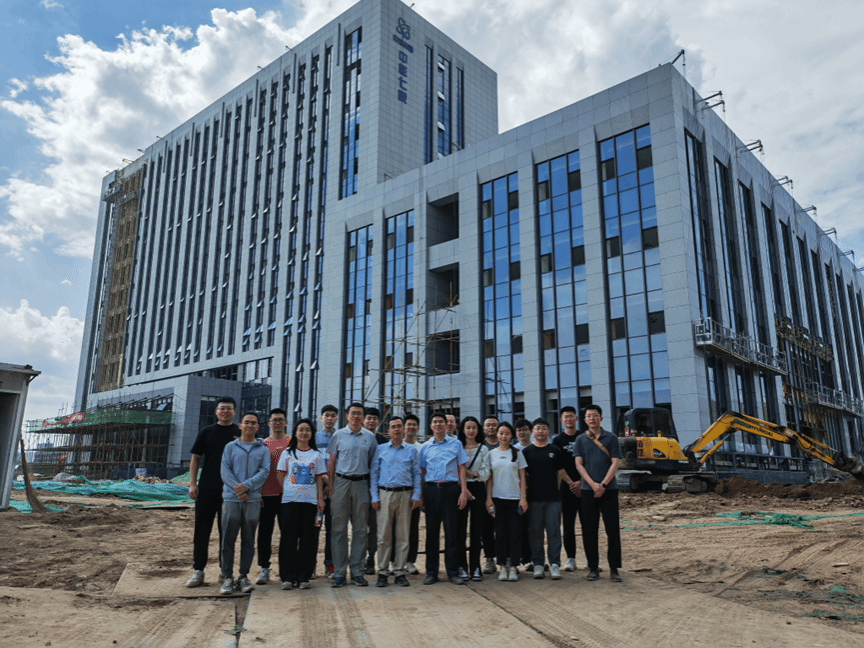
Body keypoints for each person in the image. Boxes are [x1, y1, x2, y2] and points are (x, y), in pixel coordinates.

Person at [186, 397, 240, 588]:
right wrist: (192, 484)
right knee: (202, 530)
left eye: (229, 408)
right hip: (207, 488)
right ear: (216, 411)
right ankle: (198, 570)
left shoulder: (239, 433)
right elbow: (195, 458)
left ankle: (225, 571)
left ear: (234, 412)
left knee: (227, 533)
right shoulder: (206, 432)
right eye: (222, 408)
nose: (225, 411)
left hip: (231, 491)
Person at [327, 402, 378, 587]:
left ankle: (357, 571)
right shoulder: (338, 435)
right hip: (341, 483)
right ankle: (340, 572)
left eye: (359, 413)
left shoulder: (370, 437)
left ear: (363, 417)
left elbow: (372, 462)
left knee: (360, 529)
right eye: (353, 413)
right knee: (338, 529)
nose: (356, 416)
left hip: (362, 484)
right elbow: (332, 462)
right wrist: (331, 486)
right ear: (347, 415)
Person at [219, 412, 270, 595]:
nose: (249, 425)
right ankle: (227, 575)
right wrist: (238, 490)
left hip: (252, 500)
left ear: (257, 427)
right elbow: (225, 471)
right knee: (228, 538)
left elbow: (264, 471)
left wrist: (246, 487)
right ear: (240, 426)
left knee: (248, 539)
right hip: (231, 499)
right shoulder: (230, 447)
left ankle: (243, 575)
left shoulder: (262, 449)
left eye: (253, 423)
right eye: (246, 422)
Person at [418, 411, 470, 585]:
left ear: (446, 425)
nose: (438, 424)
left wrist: (463, 491)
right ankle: (431, 572)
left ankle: (452, 572)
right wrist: (421, 496)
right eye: (435, 422)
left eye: (441, 421)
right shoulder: (425, 447)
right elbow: (422, 472)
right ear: (431, 426)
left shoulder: (456, 444)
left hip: (451, 491)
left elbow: (462, 468)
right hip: (431, 491)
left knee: (451, 532)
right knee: (431, 533)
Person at [370, 416, 421, 587]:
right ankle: (383, 571)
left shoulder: (411, 450)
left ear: (404, 429)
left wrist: (416, 495)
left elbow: (416, 473)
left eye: (399, 426)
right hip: (385, 494)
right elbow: (374, 473)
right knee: (383, 535)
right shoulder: (381, 449)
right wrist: (375, 496)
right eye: (393, 427)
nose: (397, 429)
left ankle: (399, 571)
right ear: (389, 431)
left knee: (403, 535)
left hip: (405, 495)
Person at [276, 418, 327, 590]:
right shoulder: (287, 453)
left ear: (312, 434)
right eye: (301, 429)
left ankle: (304, 576)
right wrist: (288, 489)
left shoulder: (317, 455)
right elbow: (280, 475)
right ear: (295, 433)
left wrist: (320, 499)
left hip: (310, 502)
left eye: (307, 430)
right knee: (288, 539)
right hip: (289, 502)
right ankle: (287, 577)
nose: (304, 433)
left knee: (308, 539)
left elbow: (319, 479)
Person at [574, 404, 622, 583]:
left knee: (612, 530)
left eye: (595, 415)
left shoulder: (611, 438)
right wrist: (593, 484)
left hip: (609, 490)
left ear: (601, 418)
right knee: (589, 529)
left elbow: (615, 463)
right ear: (585, 420)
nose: (592, 418)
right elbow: (579, 464)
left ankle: (614, 569)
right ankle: (593, 568)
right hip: (588, 491)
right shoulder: (580, 439)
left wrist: (603, 484)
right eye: (589, 416)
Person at [522, 418, 571, 580]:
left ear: (548, 431)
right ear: (532, 431)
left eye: (544, 428)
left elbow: (560, 472)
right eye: (537, 428)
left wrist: (555, 489)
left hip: (553, 499)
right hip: (533, 499)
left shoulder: (555, 450)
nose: (540, 431)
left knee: (554, 532)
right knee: (535, 533)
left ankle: (555, 564)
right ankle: (538, 564)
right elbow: (523, 476)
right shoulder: (527, 452)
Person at [485, 421, 527, 582]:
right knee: (500, 533)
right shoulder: (491, 454)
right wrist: (489, 498)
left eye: (507, 433)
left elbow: (522, 477)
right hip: (497, 499)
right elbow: (489, 479)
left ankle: (514, 566)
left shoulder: (517, 453)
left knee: (515, 533)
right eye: (501, 433)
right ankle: (502, 565)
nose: (503, 436)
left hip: (514, 499)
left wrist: (523, 498)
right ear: (497, 435)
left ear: (512, 436)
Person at [255, 408, 291, 584]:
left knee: (288, 533)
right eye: (274, 420)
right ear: (269, 423)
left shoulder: (292, 442)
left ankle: (287, 569)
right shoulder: (262, 444)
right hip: (266, 495)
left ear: (286, 423)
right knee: (264, 533)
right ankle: (264, 568)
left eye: (280, 419)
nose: (277, 423)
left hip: (287, 495)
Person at [456, 416, 490, 582]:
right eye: (468, 427)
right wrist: (465, 480)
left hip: (478, 488)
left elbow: (486, 472)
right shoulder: (458, 447)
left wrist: (473, 475)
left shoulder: (483, 449)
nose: (471, 431)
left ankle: (476, 567)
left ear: (478, 430)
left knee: (477, 529)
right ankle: (462, 566)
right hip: (460, 489)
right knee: (460, 529)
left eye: (474, 427)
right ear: (463, 430)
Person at [551, 405, 583, 572]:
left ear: (576, 418)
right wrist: (571, 483)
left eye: (571, 416)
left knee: (588, 524)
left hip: (585, 486)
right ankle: (571, 558)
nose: (569, 419)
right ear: (561, 420)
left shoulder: (584, 437)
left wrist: (581, 482)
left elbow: (588, 462)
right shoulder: (557, 440)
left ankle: (592, 559)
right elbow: (559, 466)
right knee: (568, 525)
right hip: (566, 488)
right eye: (566, 417)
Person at [316, 404, 339, 579]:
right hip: (316, 489)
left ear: (336, 419)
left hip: (334, 490)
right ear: (321, 418)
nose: (329, 418)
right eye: (326, 415)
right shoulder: (314, 437)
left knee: (332, 530)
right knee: (313, 528)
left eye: (332, 415)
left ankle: (330, 565)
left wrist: (331, 483)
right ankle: (309, 565)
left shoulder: (340, 437)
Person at [363, 406, 386, 574]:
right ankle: (358, 559)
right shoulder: (358, 438)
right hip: (360, 485)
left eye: (374, 418)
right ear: (364, 420)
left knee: (374, 526)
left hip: (378, 488)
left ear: (378, 421)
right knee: (358, 526)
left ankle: (370, 559)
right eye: (368, 418)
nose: (371, 421)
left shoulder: (383, 441)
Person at [403, 413, 423, 575]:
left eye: (414, 425)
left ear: (418, 428)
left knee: (413, 527)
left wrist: (420, 494)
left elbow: (422, 473)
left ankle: (410, 561)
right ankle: (395, 560)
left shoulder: (422, 448)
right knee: (396, 527)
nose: (411, 427)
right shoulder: (396, 445)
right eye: (408, 424)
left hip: (414, 492)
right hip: (398, 491)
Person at [513, 417, 533, 568]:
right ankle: (523, 557)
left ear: (530, 431)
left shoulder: (537, 447)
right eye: (519, 430)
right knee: (519, 526)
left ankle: (532, 558)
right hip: (516, 493)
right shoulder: (512, 449)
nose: (522, 433)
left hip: (534, 492)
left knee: (534, 527)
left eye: (525, 429)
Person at [481, 415, 499, 574]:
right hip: (484, 493)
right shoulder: (481, 446)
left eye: (494, 425)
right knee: (486, 528)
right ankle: (489, 559)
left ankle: (506, 559)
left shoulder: (506, 444)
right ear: (484, 428)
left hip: (504, 492)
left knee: (503, 527)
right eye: (488, 425)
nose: (491, 427)